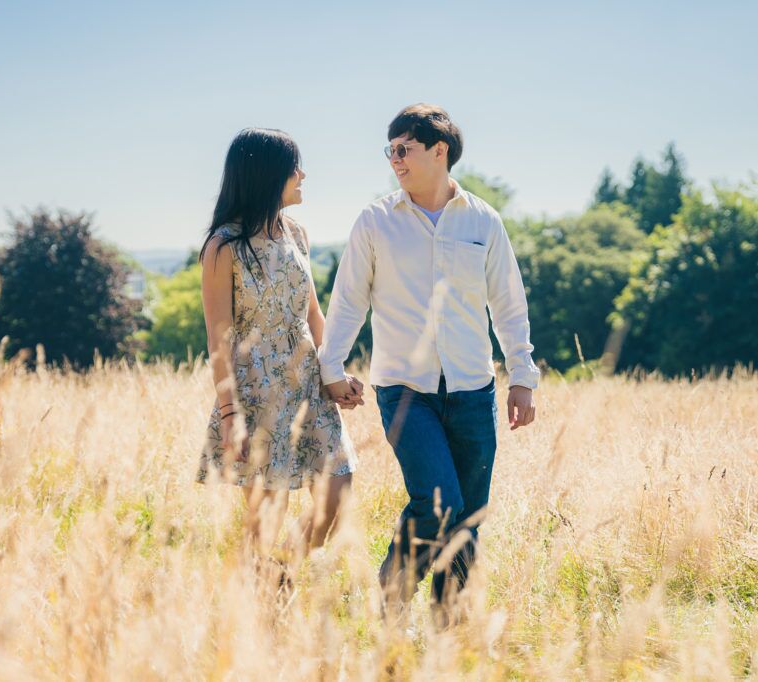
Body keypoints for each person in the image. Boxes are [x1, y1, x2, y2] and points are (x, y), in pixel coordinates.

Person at [318, 104, 539, 622]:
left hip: (473, 389)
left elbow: (509, 304)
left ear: (439, 151)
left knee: (467, 518)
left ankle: (451, 629)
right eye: (389, 151)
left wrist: (522, 378)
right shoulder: (375, 221)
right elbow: (348, 299)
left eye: (403, 149)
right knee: (437, 503)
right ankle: (390, 604)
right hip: (404, 390)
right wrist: (332, 369)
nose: (393, 159)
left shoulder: (484, 220)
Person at [196, 128, 363, 578]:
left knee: (337, 496)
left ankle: (280, 572)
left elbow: (313, 314)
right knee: (265, 518)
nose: (303, 174)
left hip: (309, 383)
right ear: (266, 174)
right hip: (256, 392)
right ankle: (263, 611)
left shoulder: (297, 234)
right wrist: (232, 416)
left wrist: (335, 373)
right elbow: (219, 339)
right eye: (294, 166)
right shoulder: (223, 247)